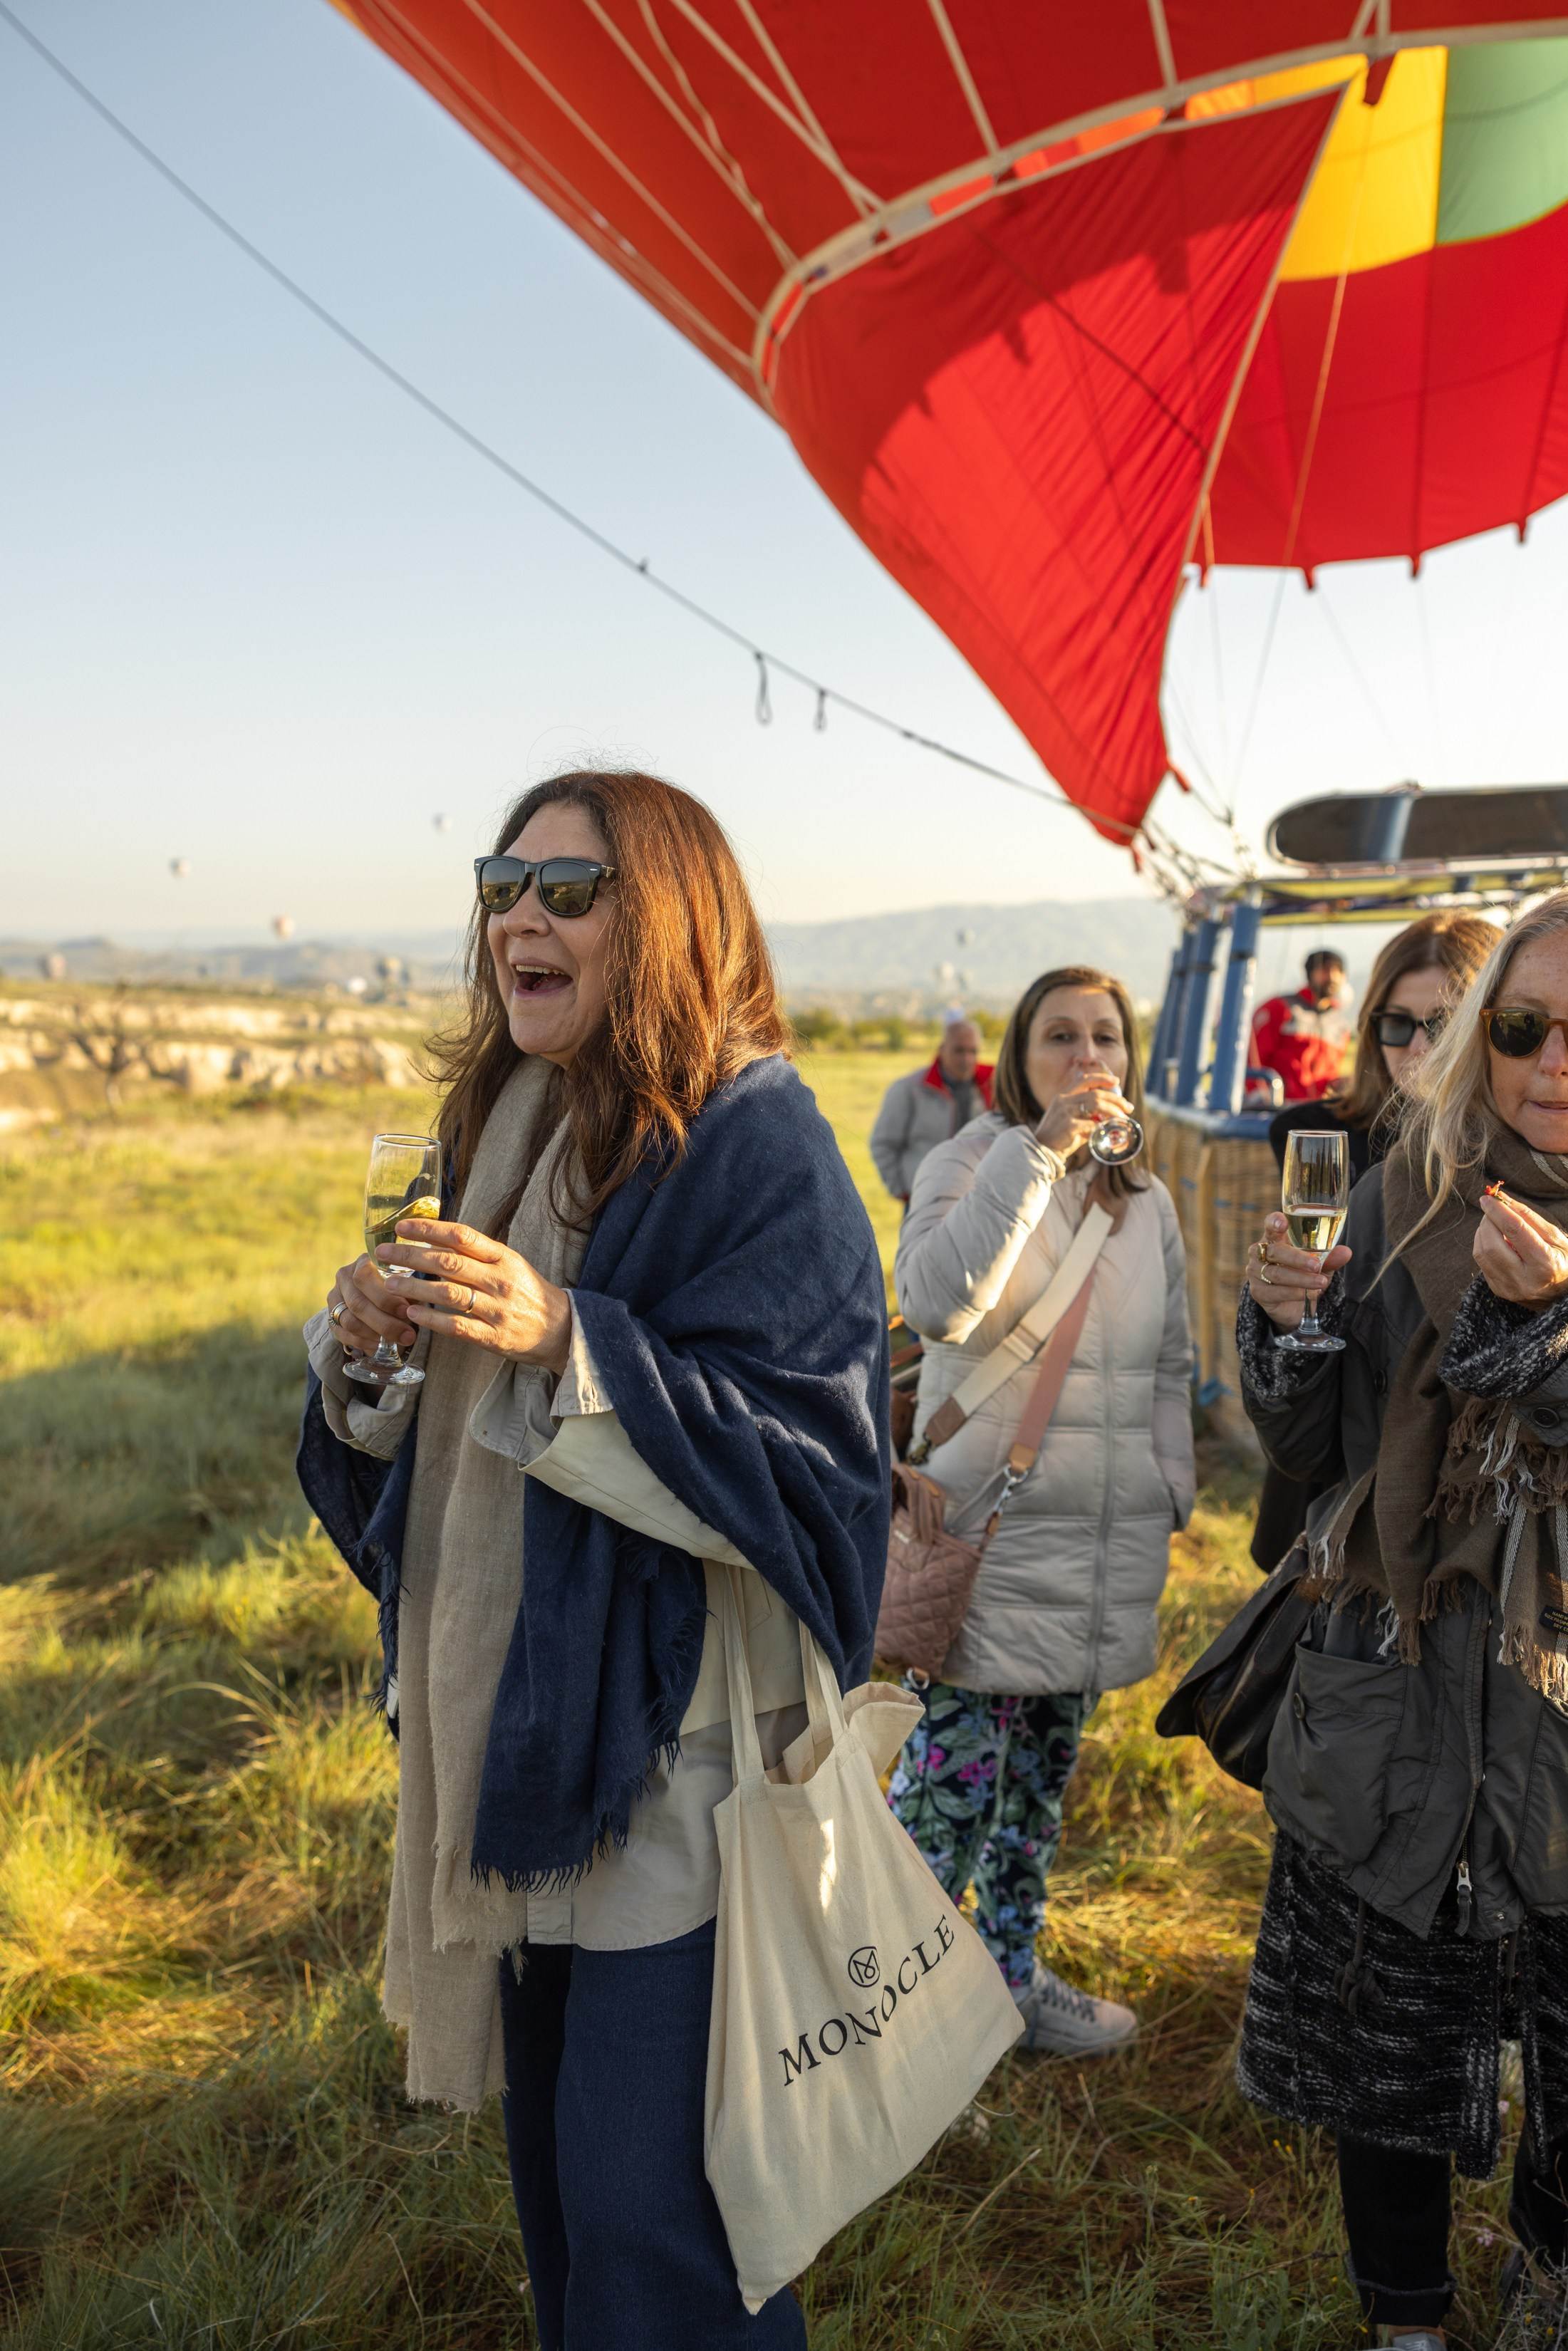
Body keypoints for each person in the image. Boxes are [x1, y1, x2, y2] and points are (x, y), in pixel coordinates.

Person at [296, 769, 890, 2351]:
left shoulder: (757, 1144)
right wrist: (368, 1356)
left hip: (669, 1774)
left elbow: (816, 1474)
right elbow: (427, 1442)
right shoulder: (497, 1119)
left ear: (669, 919)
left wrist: (567, 1340)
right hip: (514, 1743)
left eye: (570, 889)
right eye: (505, 882)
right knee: (563, 2214)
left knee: (665, 2231)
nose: (519, 919)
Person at [1237, 888, 1568, 2346]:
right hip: (1394, 1685)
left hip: (1554, 1708)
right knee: (1380, 2043)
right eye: (1520, 1026)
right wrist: (1282, 1329)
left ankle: (1546, 2275)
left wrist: (1539, 1343)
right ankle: (1405, 2322)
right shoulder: (1399, 1192)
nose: (1549, 1060)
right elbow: (1308, 1439)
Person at [887, 964, 1195, 2055]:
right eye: (1060, 1037)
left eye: (1105, 1037)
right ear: (1020, 1058)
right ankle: (897, 2028)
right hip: (990, 1539)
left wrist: (1172, 1484)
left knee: (1034, 1798)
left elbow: (1170, 1365)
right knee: (945, 1800)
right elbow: (933, 1301)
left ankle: (1009, 1986)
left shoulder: (1145, 1201)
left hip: (1099, 1548)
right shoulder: (970, 1159)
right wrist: (1038, 1155)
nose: (1086, 1058)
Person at [1251, 912, 1497, 1572]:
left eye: (1442, 1025)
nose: (1416, 1048)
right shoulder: (1318, 1136)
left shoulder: (1517, 1157)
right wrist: (1279, 1312)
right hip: (1343, 1463)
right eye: (1395, 1025)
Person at [870, 1016, 994, 1204]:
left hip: (975, 1198)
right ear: (942, 1049)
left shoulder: (990, 1087)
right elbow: (883, 1143)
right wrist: (904, 1191)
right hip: (924, 1198)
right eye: (959, 1050)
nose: (967, 1059)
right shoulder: (910, 1089)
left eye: (973, 1051)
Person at [1250, 948, 1354, 1102]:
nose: (1332, 976)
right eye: (1325, 969)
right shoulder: (1279, 1008)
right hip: (1276, 1109)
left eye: (1338, 970)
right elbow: (1253, 1060)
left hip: (1317, 1112)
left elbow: (1330, 1073)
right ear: (1309, 973)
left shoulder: (1340, 1026)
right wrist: (1261, 1099)